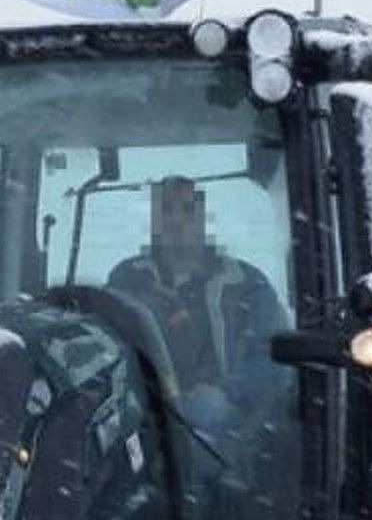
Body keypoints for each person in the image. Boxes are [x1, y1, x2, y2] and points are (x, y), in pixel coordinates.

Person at [104, 177, 287, 424]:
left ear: (205, 218)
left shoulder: (246, 285)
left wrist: (227, 393)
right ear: (153, 222)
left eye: (188, 209)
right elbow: (105, 344)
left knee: (204, 416)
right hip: (144, 412)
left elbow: (272, 356)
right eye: (166, 210)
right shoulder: (127, 279)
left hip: (229, 424)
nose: (176, 221)